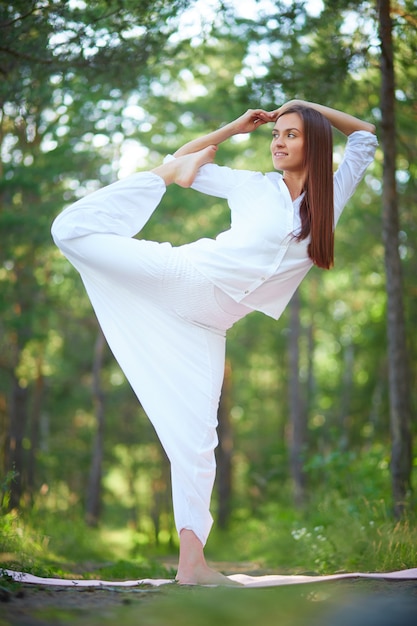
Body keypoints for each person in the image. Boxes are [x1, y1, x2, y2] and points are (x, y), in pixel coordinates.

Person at [51, 100, 377, 586]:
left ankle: (192, 566)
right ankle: (150, 187)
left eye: (290, 135)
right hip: (182, 276)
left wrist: (305, 106)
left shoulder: (334, 192)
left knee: (197, 441)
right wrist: (233, 129)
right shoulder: (251, 186)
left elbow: (366, 136)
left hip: (209, 325)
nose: (278, 142)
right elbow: (185, 159)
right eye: (275, 135)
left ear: (315, 141)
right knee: (70, 230)